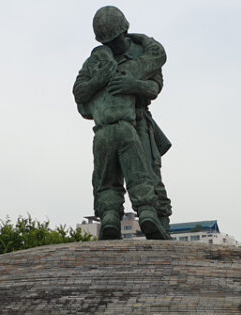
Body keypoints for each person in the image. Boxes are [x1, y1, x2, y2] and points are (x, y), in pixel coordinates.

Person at [73, 6, 172, 239]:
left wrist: (133, 86)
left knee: (148, 174)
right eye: (108, 41)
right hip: (112, 124)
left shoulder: (142, 53)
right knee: (109, 174)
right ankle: (112, 218)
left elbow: (154, 88)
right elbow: (80, 94)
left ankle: (158, 223)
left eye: (116, 39)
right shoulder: (97, 60)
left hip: (138, 120)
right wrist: (101, 80)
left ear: (125, 31)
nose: (113, 45)